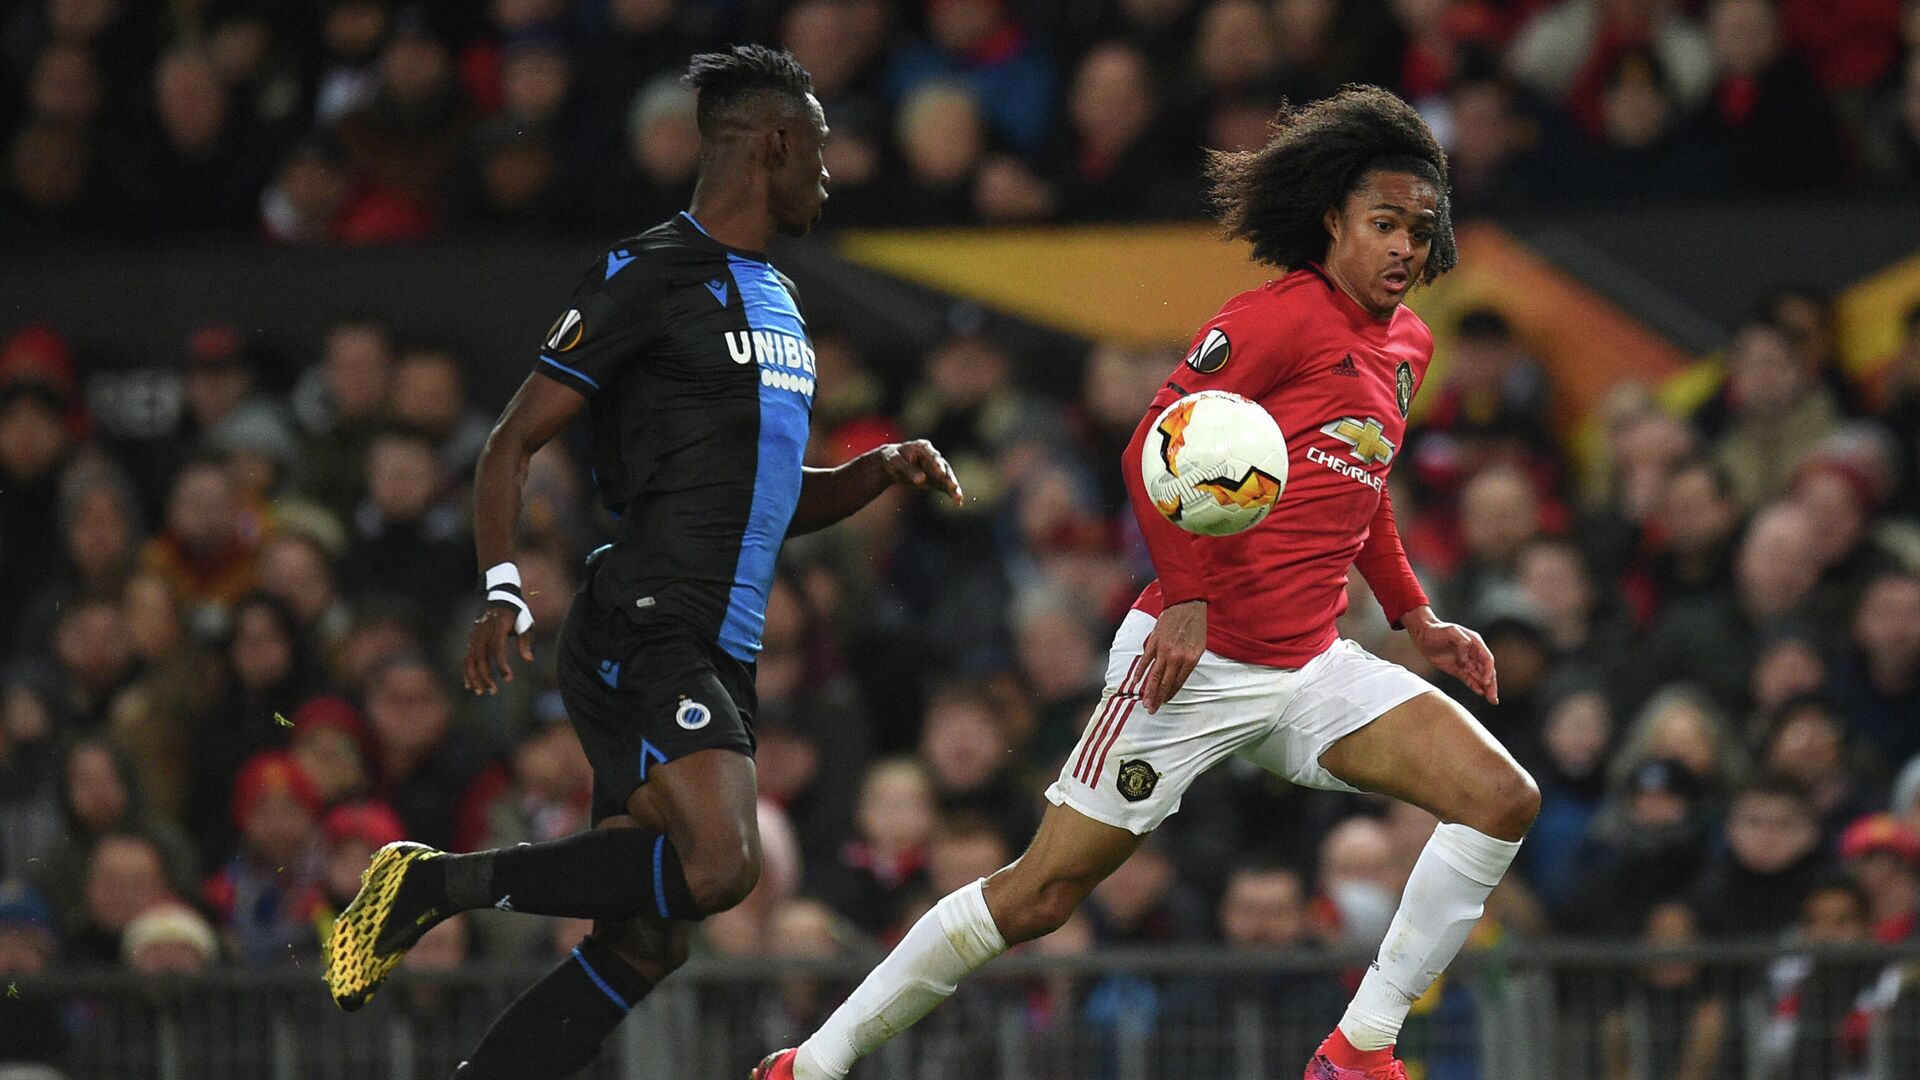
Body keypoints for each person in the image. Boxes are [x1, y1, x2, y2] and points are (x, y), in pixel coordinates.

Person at [752, 87, 1536, 1080]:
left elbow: (1364, 490)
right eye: (1384, 224)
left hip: (1309, 666)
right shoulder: (1277, 318)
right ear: (1334, 220)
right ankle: (813, 1063)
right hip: (1190, 660)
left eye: (1420, 231)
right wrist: (1190, 602)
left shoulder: (1408, 348)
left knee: (1500, 798)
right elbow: (1149, 449)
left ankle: (1360, 1046)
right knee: (1040, 896)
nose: (1402, 248)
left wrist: (1419, 615)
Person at [321, 46, 961, 1080]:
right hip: (644, 620)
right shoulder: (645, 271)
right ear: (777, 145)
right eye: (823, 153)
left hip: (722, 644)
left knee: (646, 937)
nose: (831, 177)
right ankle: (432, 886)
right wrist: (500, 586)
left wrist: (878, 471)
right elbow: (510, 442)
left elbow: (770, 497)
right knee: (720, 866)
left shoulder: (785, 302)